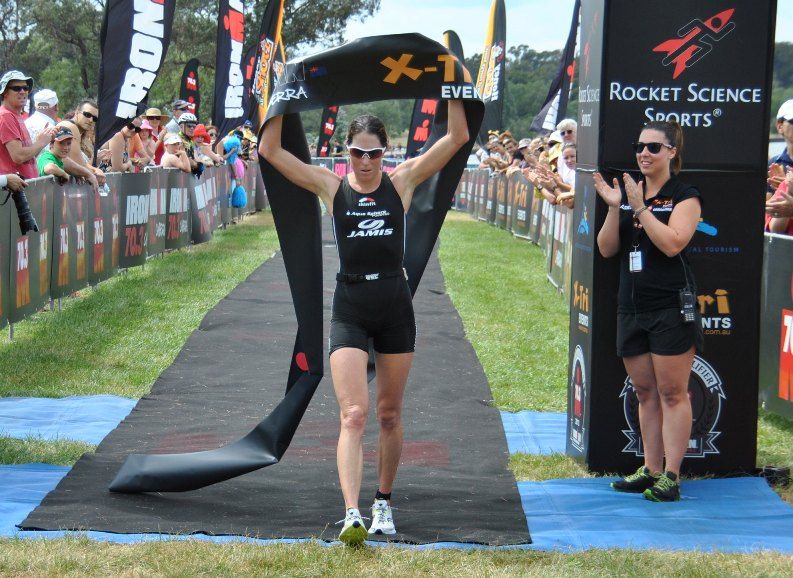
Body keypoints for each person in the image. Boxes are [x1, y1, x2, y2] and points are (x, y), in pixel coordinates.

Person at [260, 100, 470, 545]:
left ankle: (383, 504)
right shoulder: (332, 188)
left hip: (394, 304)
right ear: (346, 153)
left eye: (374, 154)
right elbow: (272, 152)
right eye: (358, 153)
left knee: (388, 414)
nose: (366, 162)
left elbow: (456, 139)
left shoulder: (403, 181)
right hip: (351, 305)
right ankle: (352, 513)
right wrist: (276, 100)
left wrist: (453, 88)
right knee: (353, 414)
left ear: (385, 154)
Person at [594, 120, 703, 503]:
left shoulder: (684, 195)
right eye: (640, 146)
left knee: (673, 392)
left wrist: (641, 207)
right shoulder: (627, 194)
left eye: (654, 147)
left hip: (670, 306)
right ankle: (650, 468)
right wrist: (614, 208)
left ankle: (671, 475)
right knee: (644, 392)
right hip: (631, 306)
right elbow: (607, 249)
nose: (644, 153)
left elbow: (673, 244)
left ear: (672, 152)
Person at [0, 70, 55, 180]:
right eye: (16, 88)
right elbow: (18, 156)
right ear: (5, 92)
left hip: (26, 187)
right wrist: (40, 142)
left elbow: (27, 158)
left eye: (25, 88)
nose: (23, 91)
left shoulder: (15, 116)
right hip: (14, 191)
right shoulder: (6, 116)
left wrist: (41, 141)